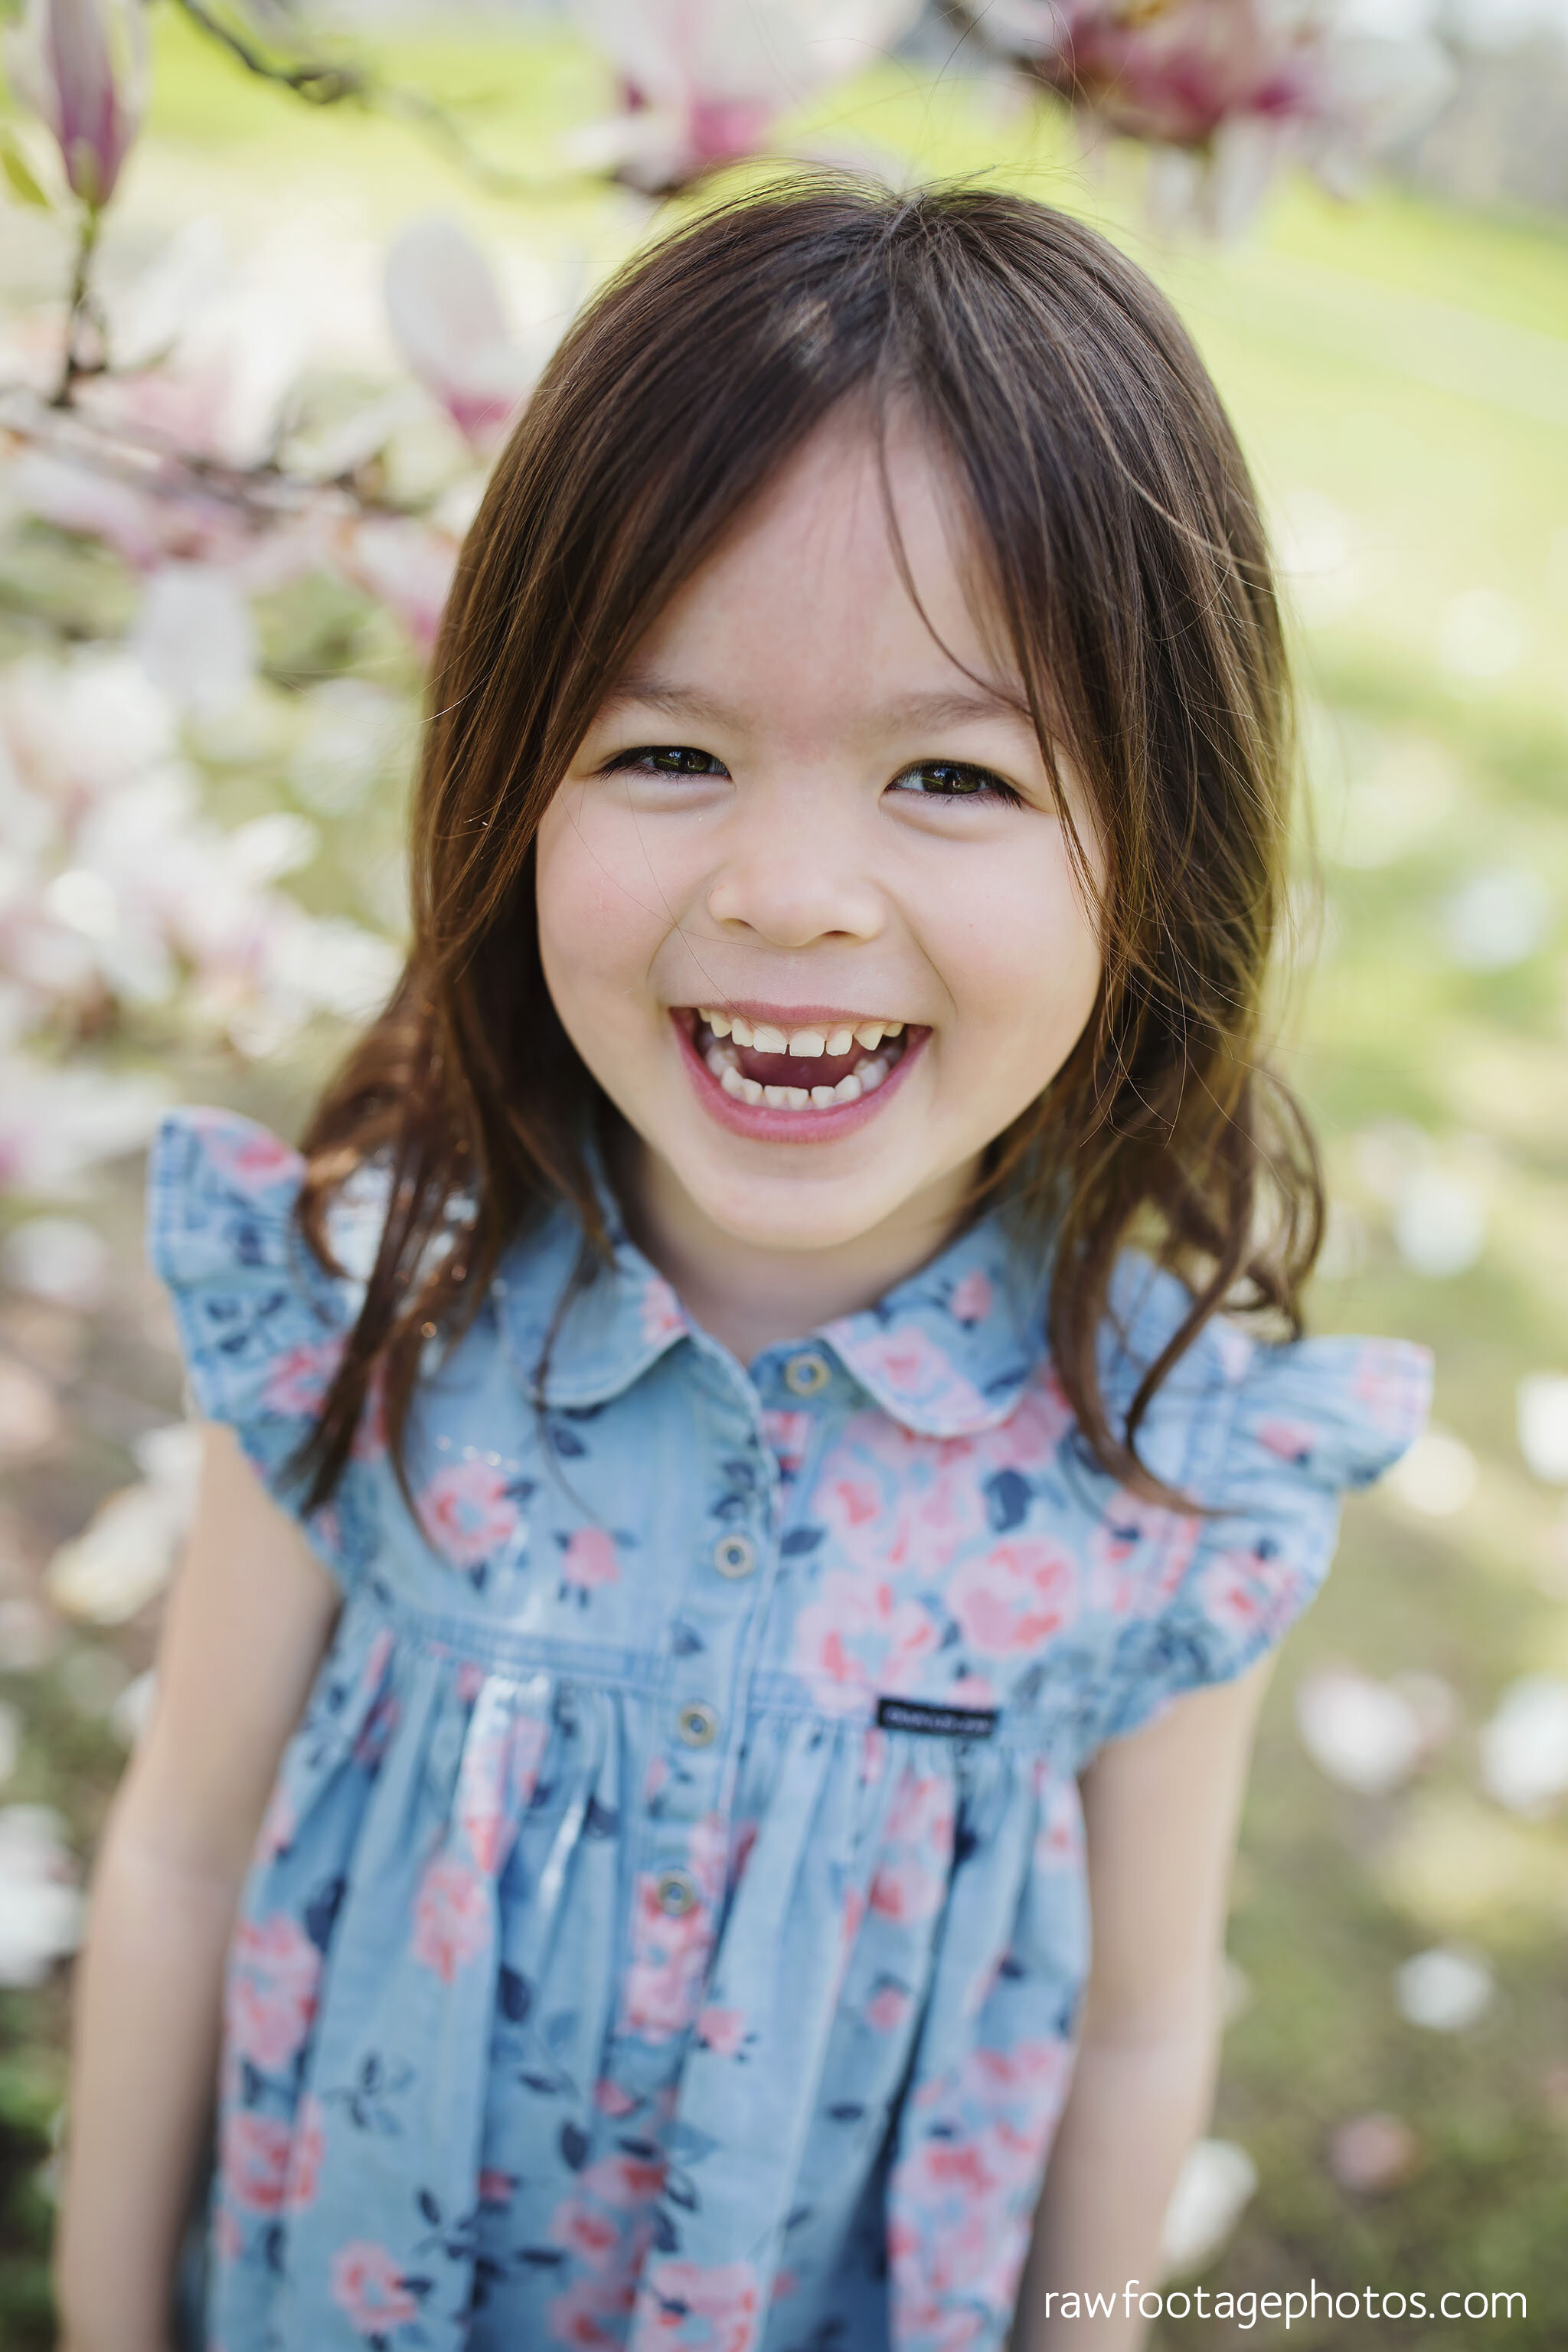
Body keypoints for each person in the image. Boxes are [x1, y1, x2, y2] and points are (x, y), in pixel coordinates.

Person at [54, 180, 1430, 2352]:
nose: (794, 891)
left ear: (1159, 838)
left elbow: (1146, 2031)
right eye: (668, 751)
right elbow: (183, 1856)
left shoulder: (1168, 1465)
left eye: (955, 774)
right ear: (510, 781)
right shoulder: (369, 1301)